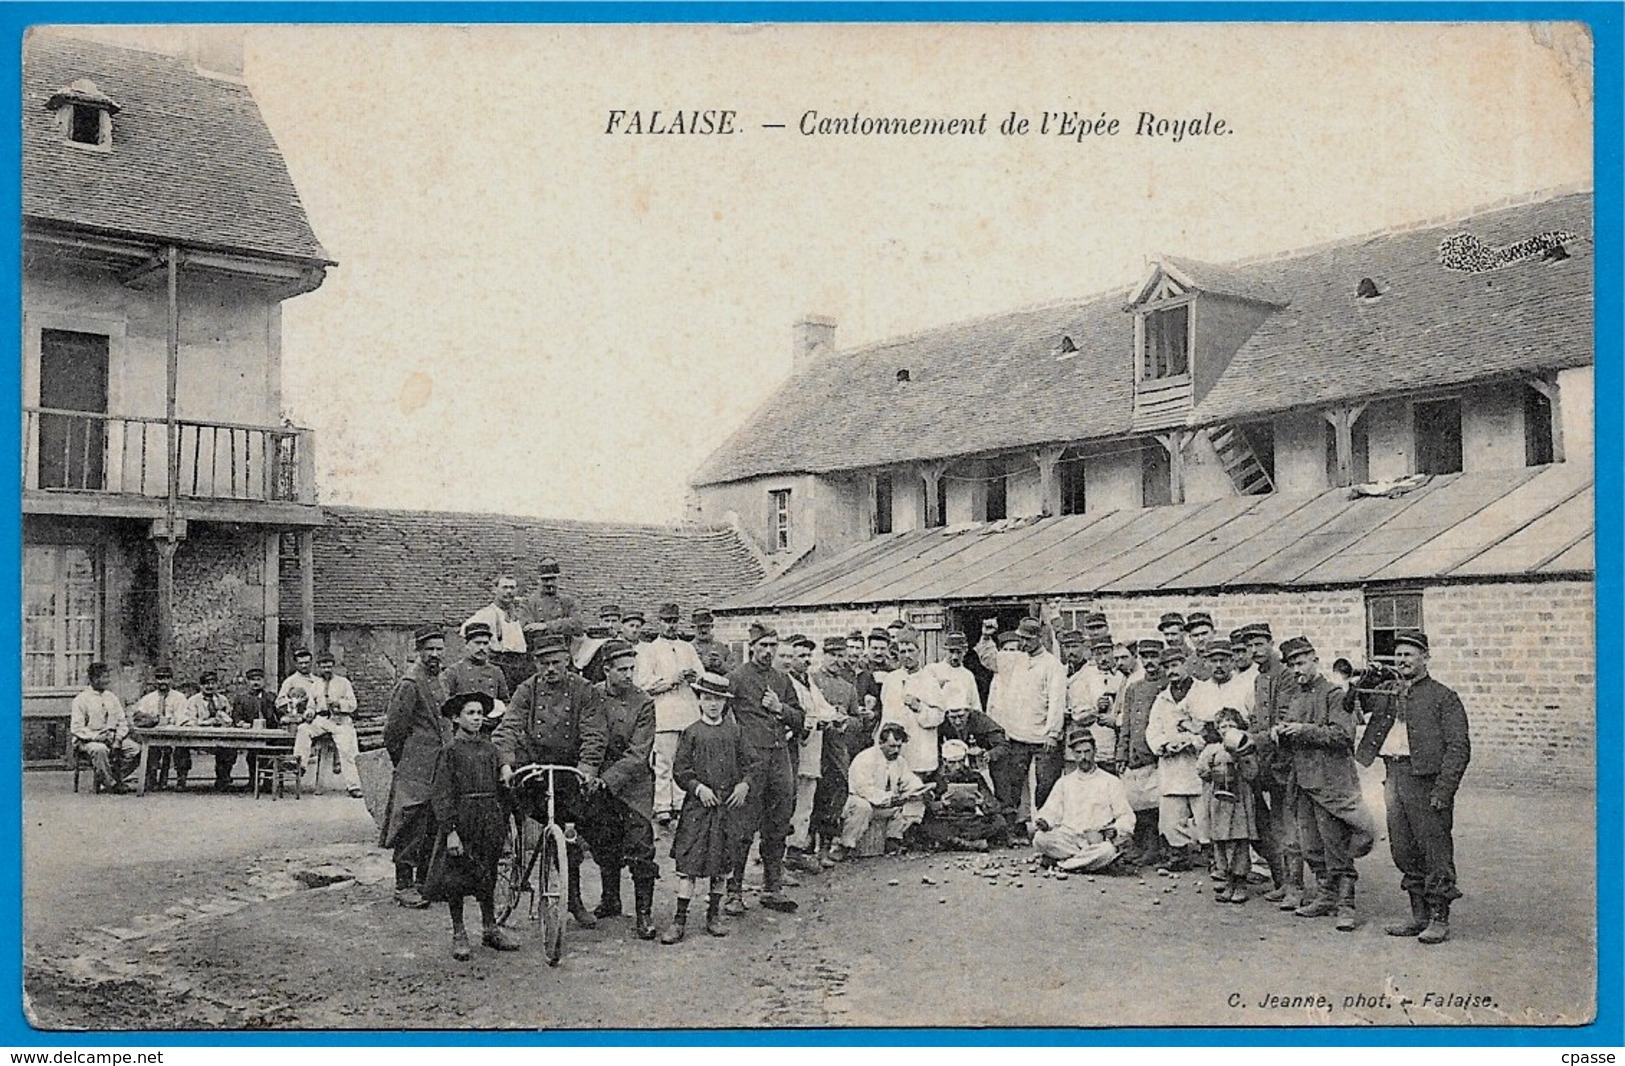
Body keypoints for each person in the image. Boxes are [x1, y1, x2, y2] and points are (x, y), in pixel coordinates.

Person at [1355, 630, 1471, 944]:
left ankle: (1439, 918)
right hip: (1393, 776)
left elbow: (1459, 749)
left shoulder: (1443, 696)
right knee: (1403, 849)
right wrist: (1363, 680)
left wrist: (1443, 791)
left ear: (1425, 657)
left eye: (1409, 654)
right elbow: (1351, 703)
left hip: (1426, 782)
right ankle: (1418, 915)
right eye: (1399, 655)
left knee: (1434, 850)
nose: (1403, 660)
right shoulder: (1388, 692)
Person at [493, 628, 608, 929]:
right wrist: (506, 763)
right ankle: (513, 871)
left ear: (567, 661)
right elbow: (508, 727)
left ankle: (573, 899)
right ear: (535, 663)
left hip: (570, 772)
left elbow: (594, 733)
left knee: (572, 836)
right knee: (508, 805)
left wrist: (588, 768)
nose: (550, 669)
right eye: (543, 663)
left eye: (556, 662)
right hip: (535, 770)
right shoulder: (527, 690)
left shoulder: (584, 690)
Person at [1272, 636, 1376, 932]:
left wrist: (1303, 730)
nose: (1296, 670)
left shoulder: (1333, 694)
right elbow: (1292, 733)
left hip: (1331, 782)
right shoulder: (1296, 697)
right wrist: (1280, 732)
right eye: (1291, 665)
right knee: (1311, 844)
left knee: (1335, 843)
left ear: (1315, 660)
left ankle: (1346, 905)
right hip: (1303, 780)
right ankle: (1325, 896)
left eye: (1301, 663)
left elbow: (1343, 736)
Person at [421, 691, 522, 960]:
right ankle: (459, 933)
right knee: (456, 878)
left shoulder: (490, 749)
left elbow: (502, 769)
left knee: (487, 874)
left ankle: (490, 928)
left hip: (489, 819)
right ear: (456, 718)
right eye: (471, 713)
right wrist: (451, 831)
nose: (477, 719)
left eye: (480, 713)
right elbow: (442, 794)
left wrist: (505, 770)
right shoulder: (450, 752)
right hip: (462, 820)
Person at [663, 672, 757, 943]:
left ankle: (713, 916)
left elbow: (752, 764)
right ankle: (679, 920)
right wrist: (698, 788)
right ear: (699, 701)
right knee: (690, 864)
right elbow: (680, 770)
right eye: (707, 699)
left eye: (718, 699)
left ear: (725, 703)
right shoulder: (692, 732)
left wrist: (744, 785)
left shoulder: (736, 732)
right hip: (698, 809)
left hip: (726, 807)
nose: (713, 704)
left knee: (720, 864)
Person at [723, 622, 804, 915]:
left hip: (779, 757)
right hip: (750, 761)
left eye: (773, 646)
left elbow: (800, 718)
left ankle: (772, 888)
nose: (768, 652)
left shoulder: (782, 680)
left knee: (779, 821)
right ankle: (733, 892)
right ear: (752, 647)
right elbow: (719, 713)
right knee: (743, 825)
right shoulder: (736, 678)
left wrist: (779, 708)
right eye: (764, 646)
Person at [587, 641, 659, 938]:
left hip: (633, 786)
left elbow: (638, 752)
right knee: (604, 842)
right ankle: (610, 899)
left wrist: (609, 779)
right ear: (607, 670)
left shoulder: (644, 702)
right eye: (622, 670)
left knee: (641, 847)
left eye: (632, 669)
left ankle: (644, 914)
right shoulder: (591, 695)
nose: (629, 675)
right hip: (596, 781)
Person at [975, 616, 1067, 839]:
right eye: (1021, 639)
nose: (1023, 644)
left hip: (1043, 737)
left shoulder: (1052, 665)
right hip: (1017, 735)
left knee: (1045, 785)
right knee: (1013, 784)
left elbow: (1057, 701)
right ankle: (1014, 827)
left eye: (1027, 639)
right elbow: (989, 659)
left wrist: (1053, 733)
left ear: (1038, 639)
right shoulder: (1015, 659)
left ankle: (1045, 830)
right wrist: (987, 636)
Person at [381, 627, 452, 909]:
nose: (434, 654)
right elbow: (393, 731)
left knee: (434, 824)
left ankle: (426, 882)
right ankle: (404, 885)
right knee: (411, 823)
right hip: (416, 766)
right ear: (418, 651)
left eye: (438, 649)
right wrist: (406, 762)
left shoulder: (439, 681)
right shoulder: (410, 683)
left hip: (439, 764)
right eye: (429, 649)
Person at [1240, 622, 1301, 906]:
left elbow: (1284, 720)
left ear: (1271, 642)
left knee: (1290, 827)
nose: (1254, 650)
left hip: (1285, 761)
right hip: (1267, 761)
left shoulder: (1285, 675)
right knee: (1275, 825)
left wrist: (1254, 739)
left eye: (1259, 644)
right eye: (1249, 646)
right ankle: (1284, 882)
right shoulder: (1259, 678)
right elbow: (1259, 717)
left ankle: (1296, 888)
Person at [634, 603, 704, 827]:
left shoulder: (687, 648)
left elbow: (702, 677)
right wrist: (672, 679)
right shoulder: (649, 650)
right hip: (664, 712)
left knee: (686, 760)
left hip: (688, 711)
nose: (670, 625)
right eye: (666, 621)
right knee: (664, 761)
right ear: (659, 622)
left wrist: (694, 678)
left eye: (674, 621)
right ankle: (663, 804)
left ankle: (683, 801)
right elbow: (643, 683)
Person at [1145, 647, 1214, 871]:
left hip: (1198, 764)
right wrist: (1164, 745)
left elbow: (1210, 726)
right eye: (1167, 667)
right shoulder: (1162, 698)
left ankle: (1212, 855)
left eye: (1175, 665)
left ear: (1185, 664)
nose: (1171, 671)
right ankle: (1179, 853)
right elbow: (1152, 731)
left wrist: (1193, 741)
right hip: (1172, 766)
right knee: (1171, 815)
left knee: (1205, 813)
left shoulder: (1203, 691)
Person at [1032, 730, 1135, 872]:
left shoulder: (1111, 781)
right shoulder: (1064, 782)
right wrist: (1044, 821)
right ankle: (1087, 863)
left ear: (1095, 751)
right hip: (1068, 840)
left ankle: (1061, 864)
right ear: (1073, 754)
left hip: (1095, 841)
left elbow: (1125, 815)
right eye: (1078, 753)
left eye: (1087, 752)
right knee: (1040, 839)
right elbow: (1050, 811)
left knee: (1107, 851)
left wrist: (1115, 830)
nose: (1083, 757)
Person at [781, 634, 839, 874]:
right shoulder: (787, 683)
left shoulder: (808, 682)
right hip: (794, 748)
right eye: (801, 656)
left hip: (812, 749)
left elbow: (822, 708)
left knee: (806, 801)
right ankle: (781, 852)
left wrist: (833, 717)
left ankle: (796, 850)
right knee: (790, 802)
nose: (806, 660)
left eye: (808, 656)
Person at [831, 723, 929, 861]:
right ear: (881, 743)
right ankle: (845, 846)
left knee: (912, 803)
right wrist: (888, 798)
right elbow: (862, 788)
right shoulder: (865, 758)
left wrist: (921, 790)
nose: (896, 750)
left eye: (899, 746)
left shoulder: (899, 761)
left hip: (884, 805)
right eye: (892, 746)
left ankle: (893, 841)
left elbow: (909, 780)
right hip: (859, 801)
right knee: (862, 807)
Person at [1198, 707, 1260, 903]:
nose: (1226, 729)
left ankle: (1240, 881)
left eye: (1231, 725)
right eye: (1222, 726)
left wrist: (1240, 758)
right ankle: (1227, 880)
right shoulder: (1212, 749)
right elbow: (1201, 771)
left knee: (1239, 842)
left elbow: (1252, 774)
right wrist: (1212, 767)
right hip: (1217, 804)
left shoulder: (1245, 749)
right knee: (1221, 842)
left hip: (1239, 804)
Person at [811, 635, 863, 867]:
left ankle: (824, 848)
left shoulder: (848, 688)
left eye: (841, 655)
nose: (837, 660)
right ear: (824, 655)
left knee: (832, 798)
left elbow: (858, 722)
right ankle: (801, 847)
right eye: (832, 654)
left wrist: (846, 722)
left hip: (836, 750)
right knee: (808, 796)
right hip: (812, 746)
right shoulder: (811, 680)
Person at [1115, 639, 1168, 866]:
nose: (1150, 662)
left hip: (1155, 755)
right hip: (1134, 755)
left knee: (1155, 805)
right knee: (1136, 803)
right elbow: (1126, 724)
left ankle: (1155, 848)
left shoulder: (1166, 686)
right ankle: (1140, 846)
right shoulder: (1133, 688)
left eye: (1154, 656)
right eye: (1145, 657)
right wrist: (1121, 754)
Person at [292, 652, 364, 798]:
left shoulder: (343, 683)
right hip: (322, 720)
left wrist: (339, 704)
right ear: (318, 667)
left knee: (347, 751)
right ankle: (301, 764)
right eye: (323, 666)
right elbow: (312, 705)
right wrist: (309, 712)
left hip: (340, 721)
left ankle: (354, 786)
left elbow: (353, 704)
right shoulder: (316, 685)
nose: (326, 670)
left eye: (329, 666)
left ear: (333, 666)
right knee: (303, 729)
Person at [877, 628, 946, 781]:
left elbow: (939, 717)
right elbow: (885, 714)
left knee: (916, 796)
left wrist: (919, 707)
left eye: (910, 651)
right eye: (902, 652)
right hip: (893, 751)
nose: (907, 656)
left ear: (918, 652)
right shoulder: (891, 679)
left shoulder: (929, 681)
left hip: (919, 752)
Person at [918, 739, 1009, 851]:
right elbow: (927, 806)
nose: (957, 766)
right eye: (952, 763)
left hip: (969, 820)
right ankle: (968, 844)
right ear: (944, 761)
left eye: (960, 761)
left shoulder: (974, 776)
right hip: (947, 820)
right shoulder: (935, 778)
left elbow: (994, 807)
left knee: (999, 821)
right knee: (928, 826)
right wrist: (941, 804)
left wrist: (983, 803)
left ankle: (956, 843)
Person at [71, 662, 139, 792]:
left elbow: (122, 721)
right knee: (100, 750)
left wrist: (118, 738)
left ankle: (112, 778)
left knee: (135, 750)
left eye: (107, 677)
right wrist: (97, 737)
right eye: (103, 677)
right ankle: (111, 784)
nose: (107, 681)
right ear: (93, 679)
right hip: (87, 740)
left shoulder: (112, 697)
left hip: (112, 737)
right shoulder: (81, 699)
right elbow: (76, 728)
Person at [462, 573, 533, 691]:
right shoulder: (487, 613)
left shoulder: (519, 613)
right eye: (505, 587)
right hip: (501, 664)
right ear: (495, 590)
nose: (509, 591)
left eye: (512, 588)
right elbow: (466, 630)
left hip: (521, 665)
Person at [134, 665, 193, 790]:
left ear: (171, 680)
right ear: (155, 680)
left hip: (175, 734)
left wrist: (170, 722)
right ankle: (152, 779)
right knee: (151, 750)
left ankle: (181, 779)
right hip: (154, 735)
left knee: (181, 749)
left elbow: (182, 718)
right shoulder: (148, 699)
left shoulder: (179, 697)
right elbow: (139, 717)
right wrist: (152, 720)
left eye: (166, 678)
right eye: (160, 679)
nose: (163, 682)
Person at [229, 666, 280, 784]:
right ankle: (253, 780)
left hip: (270, 733)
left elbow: (279, 714)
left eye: (259, 679)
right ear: (247, 682)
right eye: (253, 680)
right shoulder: (241, 698)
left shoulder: (271, 697)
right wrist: (241, 723)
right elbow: (236, 716)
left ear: (264, 681)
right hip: (250, 733)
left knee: (271, 753)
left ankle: (269, 781)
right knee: (252, 755)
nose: (256, 683)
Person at [442, 621, 512, 706]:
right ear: (466, 644)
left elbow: (505, 702)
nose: (481, 648)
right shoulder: (453, 671)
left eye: (485, 643)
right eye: (477, 643)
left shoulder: (496, 672)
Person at [188, 671, 237, 791]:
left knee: (229, 749)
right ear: (200, 686)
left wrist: (225, 720)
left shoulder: (222, 699)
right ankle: (181, 779)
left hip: (219, 735)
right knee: (181, 749)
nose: (209, 687)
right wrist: (207, 722)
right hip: (199, 736)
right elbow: (190, 721)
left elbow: (229, 718)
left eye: (212, 683)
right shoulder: (193, 700)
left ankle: (223, 778)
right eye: (206, 684)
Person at [521, 557, 580, 640]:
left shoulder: (567, 601)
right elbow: (526, 627)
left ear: (558, 579)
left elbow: (577, 624)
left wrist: (546, 626)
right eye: (545, 580)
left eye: (553, 579)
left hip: (563, 649)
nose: (549, 583)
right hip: (537, 649)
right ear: (539, 580)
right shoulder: (528, 603)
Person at [690, 608, 737, 676]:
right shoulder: (688, 648)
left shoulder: (722, 648)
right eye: (699, 627)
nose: (703, 630)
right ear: (693, 627)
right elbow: (681, 671)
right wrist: (700, 664)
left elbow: (734, 672)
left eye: (706, 626)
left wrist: (719, 664)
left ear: (712, 626)